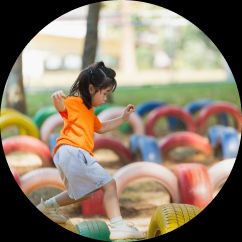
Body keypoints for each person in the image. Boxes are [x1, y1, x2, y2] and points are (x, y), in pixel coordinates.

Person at [36, 61, 145, 240]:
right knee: (110, 185)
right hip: (74, 151)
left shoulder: (89, 111)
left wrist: (123, 118)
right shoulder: (75, 102)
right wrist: (56, 99)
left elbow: (101, 127)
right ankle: (118, 226)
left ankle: (47, 207)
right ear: (93, 89)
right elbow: (62, 108)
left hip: (66, 153)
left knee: (82, 193)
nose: (106, 99)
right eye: (105, 93)